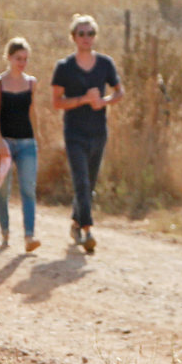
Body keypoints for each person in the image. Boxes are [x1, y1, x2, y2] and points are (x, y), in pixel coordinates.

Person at [51, 14, 124, 253]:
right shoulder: (64, 67)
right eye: (81, 33)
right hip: (74, 132)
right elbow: (57, 102)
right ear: (73, 37)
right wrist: (83, 99)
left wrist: (104, 101)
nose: (86, 38)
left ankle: (76, 222)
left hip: (98, 131)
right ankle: (87, 230)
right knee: (81, 182)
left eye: (90, 33)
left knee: (89, 183)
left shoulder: (105, 64)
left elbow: (119, 92)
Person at [0, 37, 41, 253]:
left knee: (28, 189)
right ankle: (5, 232)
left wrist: (37, 137)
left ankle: (29, 235)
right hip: (5, 143)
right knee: (3, 190)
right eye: (18, 58)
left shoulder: (31, 83)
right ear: (9, 58)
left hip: (27, 143)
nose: (22, 63)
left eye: (25, 59)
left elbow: (32, 111)